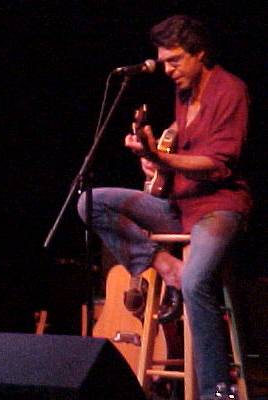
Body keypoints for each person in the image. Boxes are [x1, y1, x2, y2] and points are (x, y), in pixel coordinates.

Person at [77, 15, 251, 400]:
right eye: (164, 61)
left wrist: (164, 158)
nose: (168, 70)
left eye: (174, 61)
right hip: (180, 203)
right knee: (89, 202)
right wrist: (152, 159)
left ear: (199, 54)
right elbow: (181, 155)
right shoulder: (185, 93)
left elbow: (220, 163)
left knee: (195, 282)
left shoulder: (230, 90)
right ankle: (163, 264)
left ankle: (216, 391)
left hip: (218, 208)